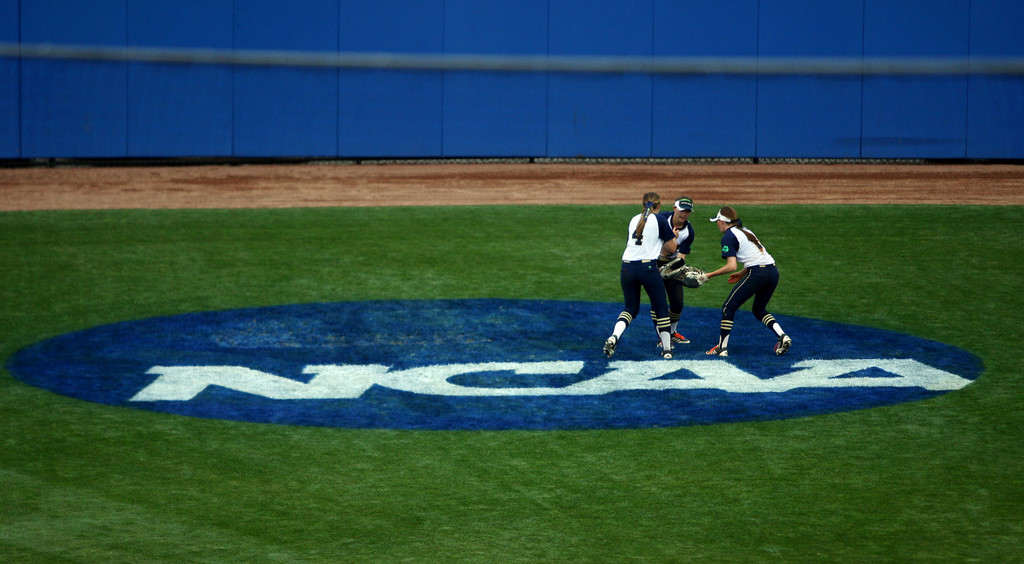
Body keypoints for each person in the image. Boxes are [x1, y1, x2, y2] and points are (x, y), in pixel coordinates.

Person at [703, 206, 791, 357]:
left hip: (758, 274)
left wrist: (709, 275)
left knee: (728, 307)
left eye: (717, 220)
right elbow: (759, 256)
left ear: (722, 221)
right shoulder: (746, 231)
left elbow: (731, 266)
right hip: (772, 272)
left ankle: (722, 348)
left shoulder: (729, 236)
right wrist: (742, 273)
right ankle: (782, 335)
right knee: (759, 310)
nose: (717, 224)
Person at [603, 192, 678, 359]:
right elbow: (672, 248)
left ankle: (614, 336)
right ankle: (667, 349)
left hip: (627, 267)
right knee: (660, 307)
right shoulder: (659, 220)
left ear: (643, 204)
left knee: (630, 308)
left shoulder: (634, 219)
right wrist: (674, 237)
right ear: (659, 206)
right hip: (647, 268)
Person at [653, 196, 696, 345]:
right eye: (682, 210)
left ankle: (671, 333)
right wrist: (671, 240)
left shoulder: (689, 232)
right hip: (654, 262)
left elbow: (681, 258)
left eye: (687, 211)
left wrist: (680, 270)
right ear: (674, 208)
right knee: (658, 302)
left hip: (672, 265)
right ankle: (662, 338)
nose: (684, 214)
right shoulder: (661, 219)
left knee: (677, 303)